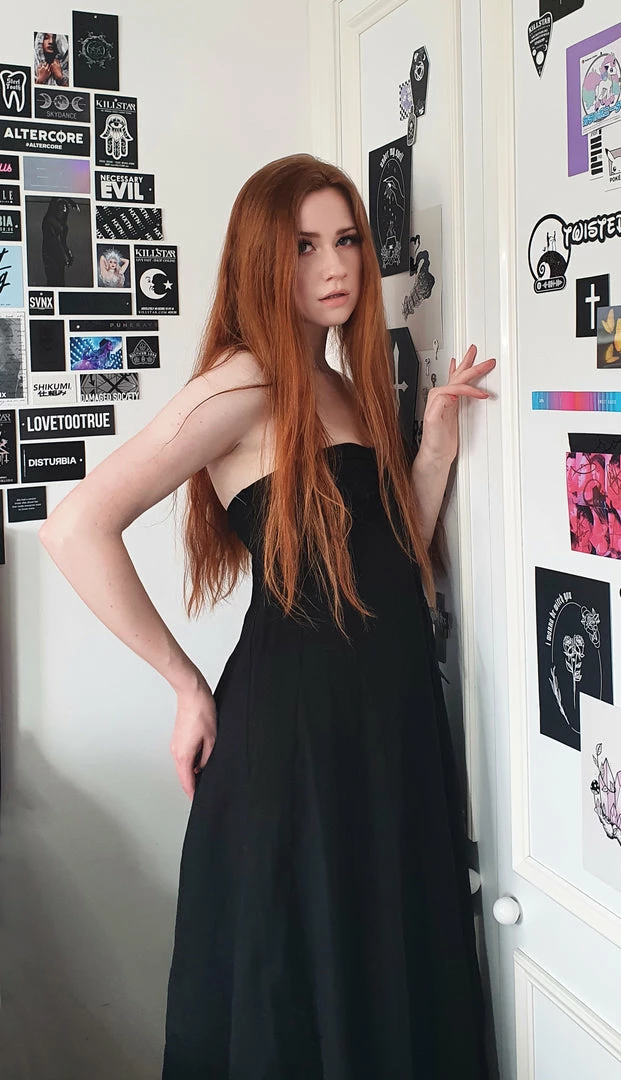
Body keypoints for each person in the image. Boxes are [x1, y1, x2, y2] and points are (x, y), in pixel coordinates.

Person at [39, 154, 496, 1078]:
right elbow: (76, 526)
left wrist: (434, 449)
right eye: (303, 246)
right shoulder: (243, 383)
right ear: (260, 258)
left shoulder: (342, 384)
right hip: (296, 743)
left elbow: (384, 558)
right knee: (298, 1003)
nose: (335, 266)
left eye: (346, 240)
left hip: (383, 727)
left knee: (377, 980)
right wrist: (184, 685)